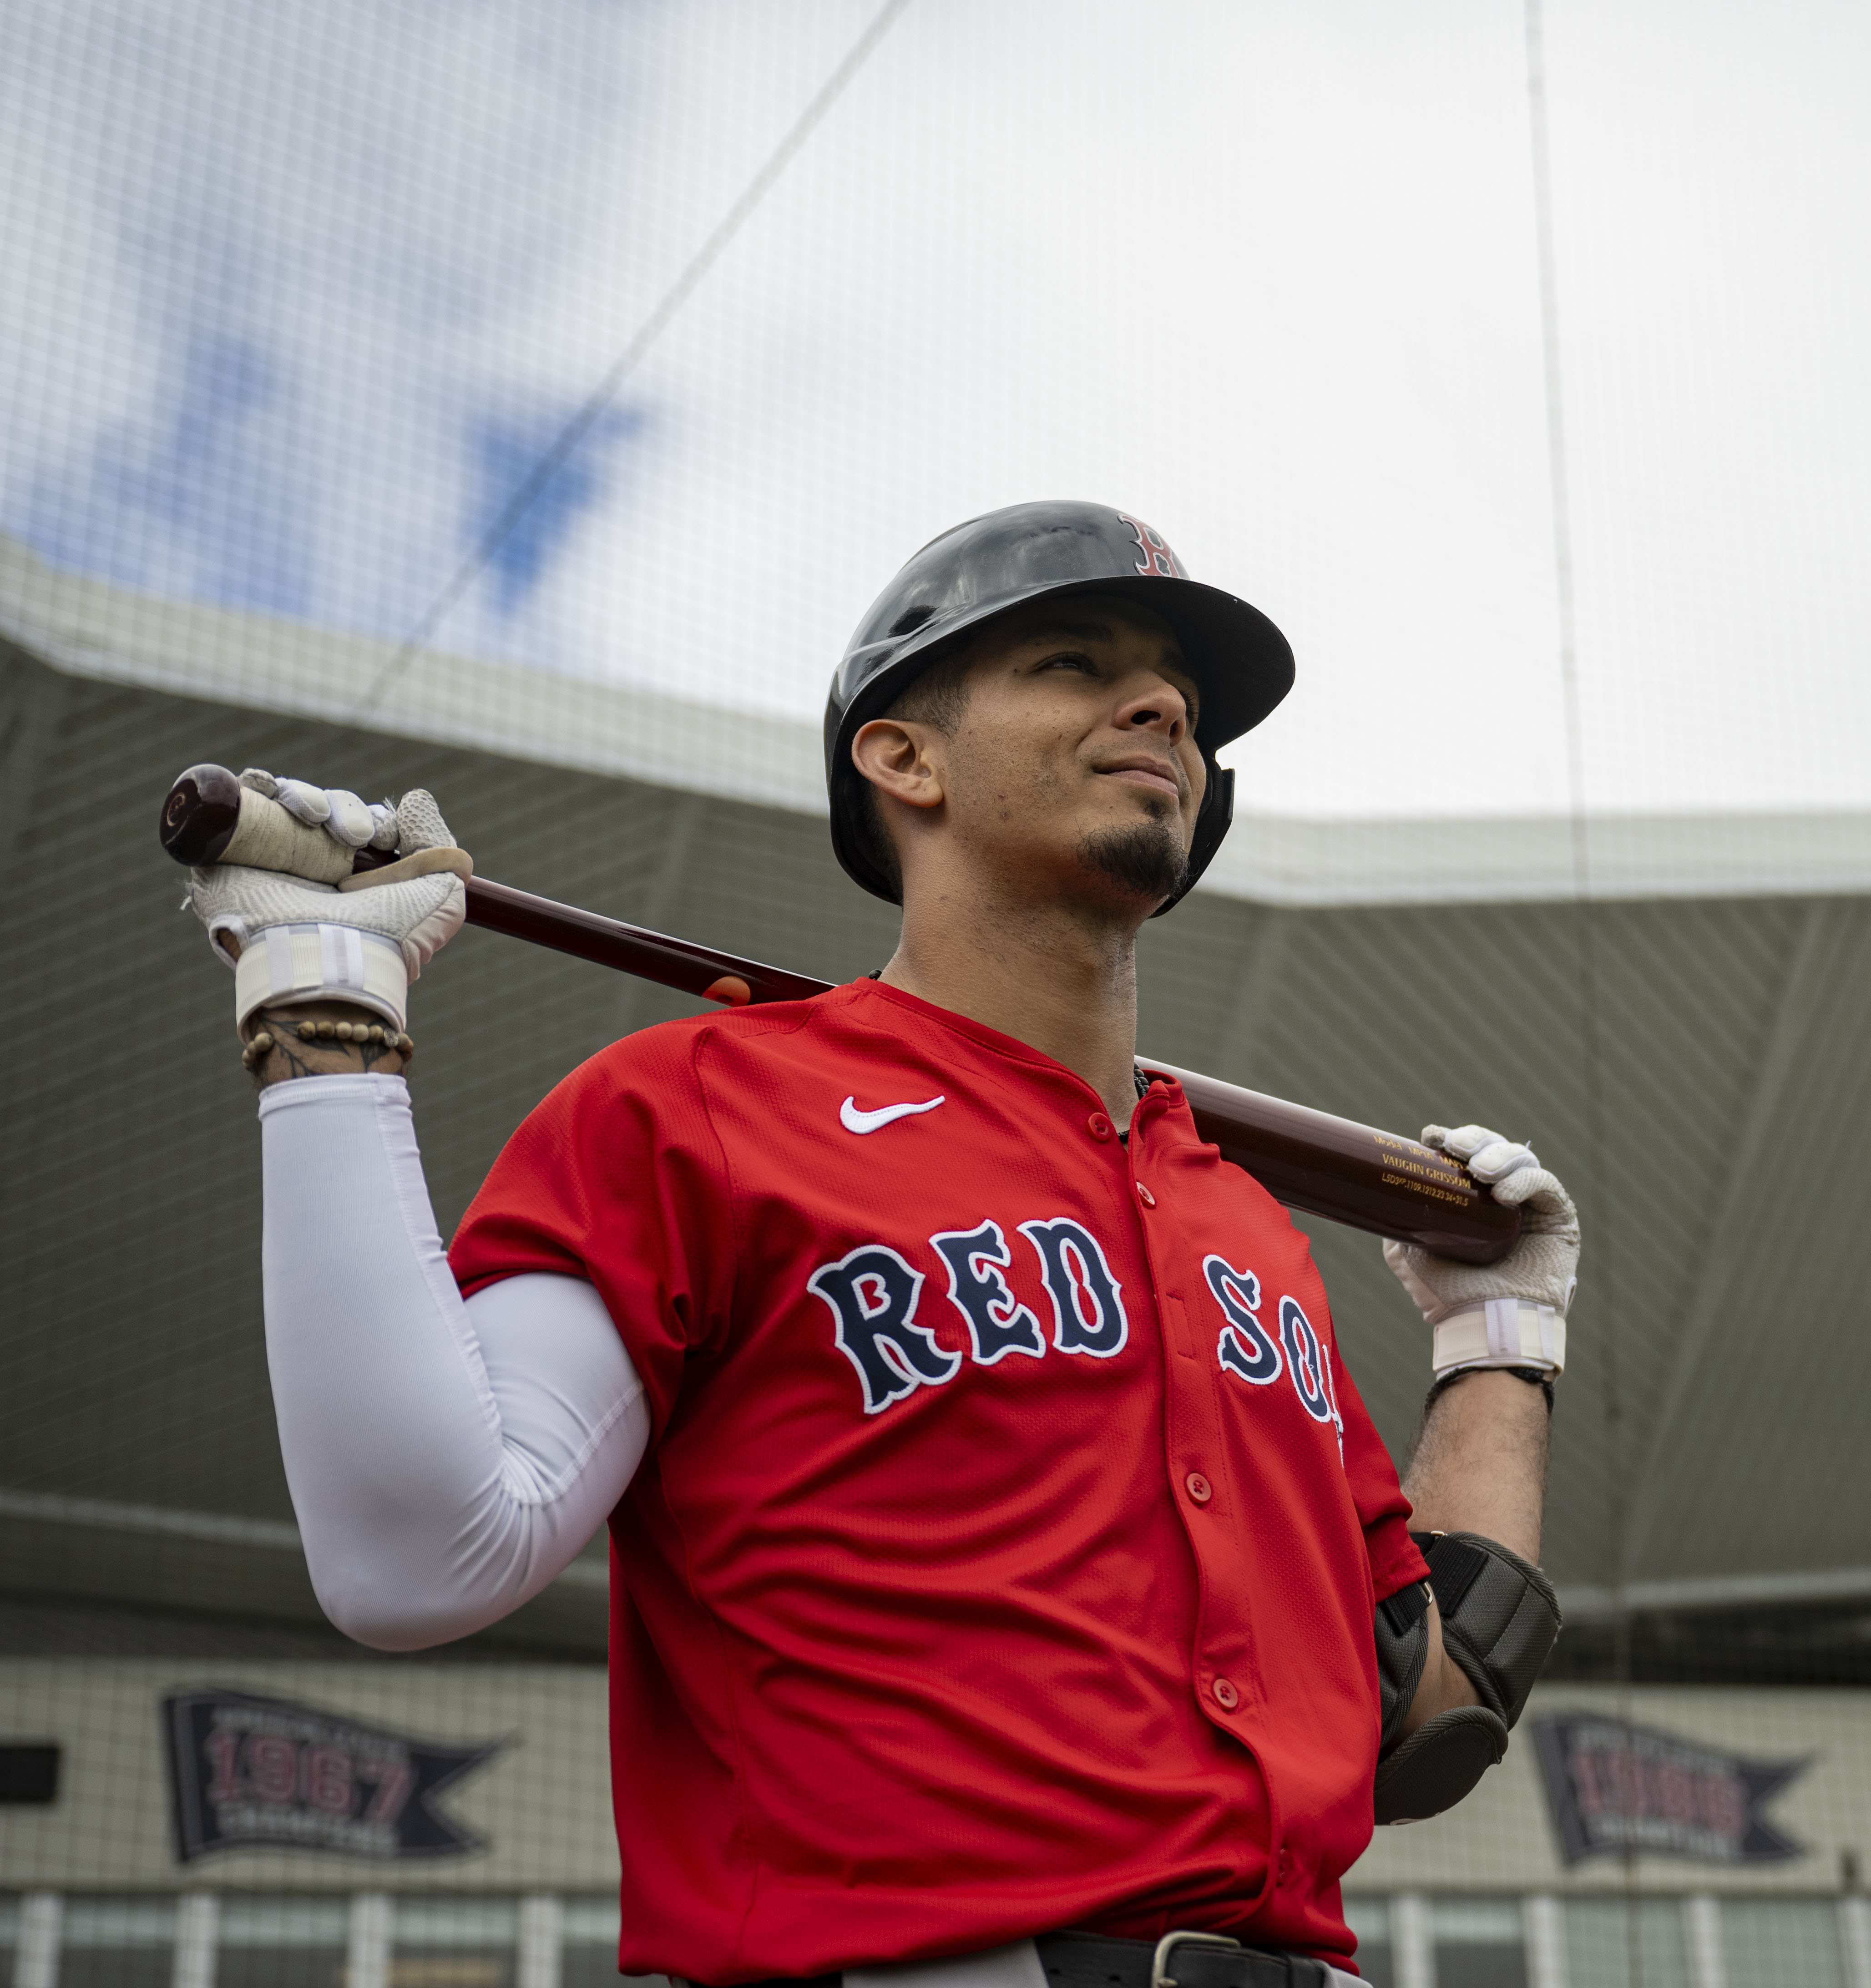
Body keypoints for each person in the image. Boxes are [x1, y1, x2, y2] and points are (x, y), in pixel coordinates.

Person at [184, 502, 1576, 1988]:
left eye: (1177, 691)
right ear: (901, 756)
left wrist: (1499, 1339)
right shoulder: (699, 1108)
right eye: (1071, 659)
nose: (1162, 703)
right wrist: (325, 1009)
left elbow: (1425, 1702)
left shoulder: (1244, 1224)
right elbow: (416, 1553)